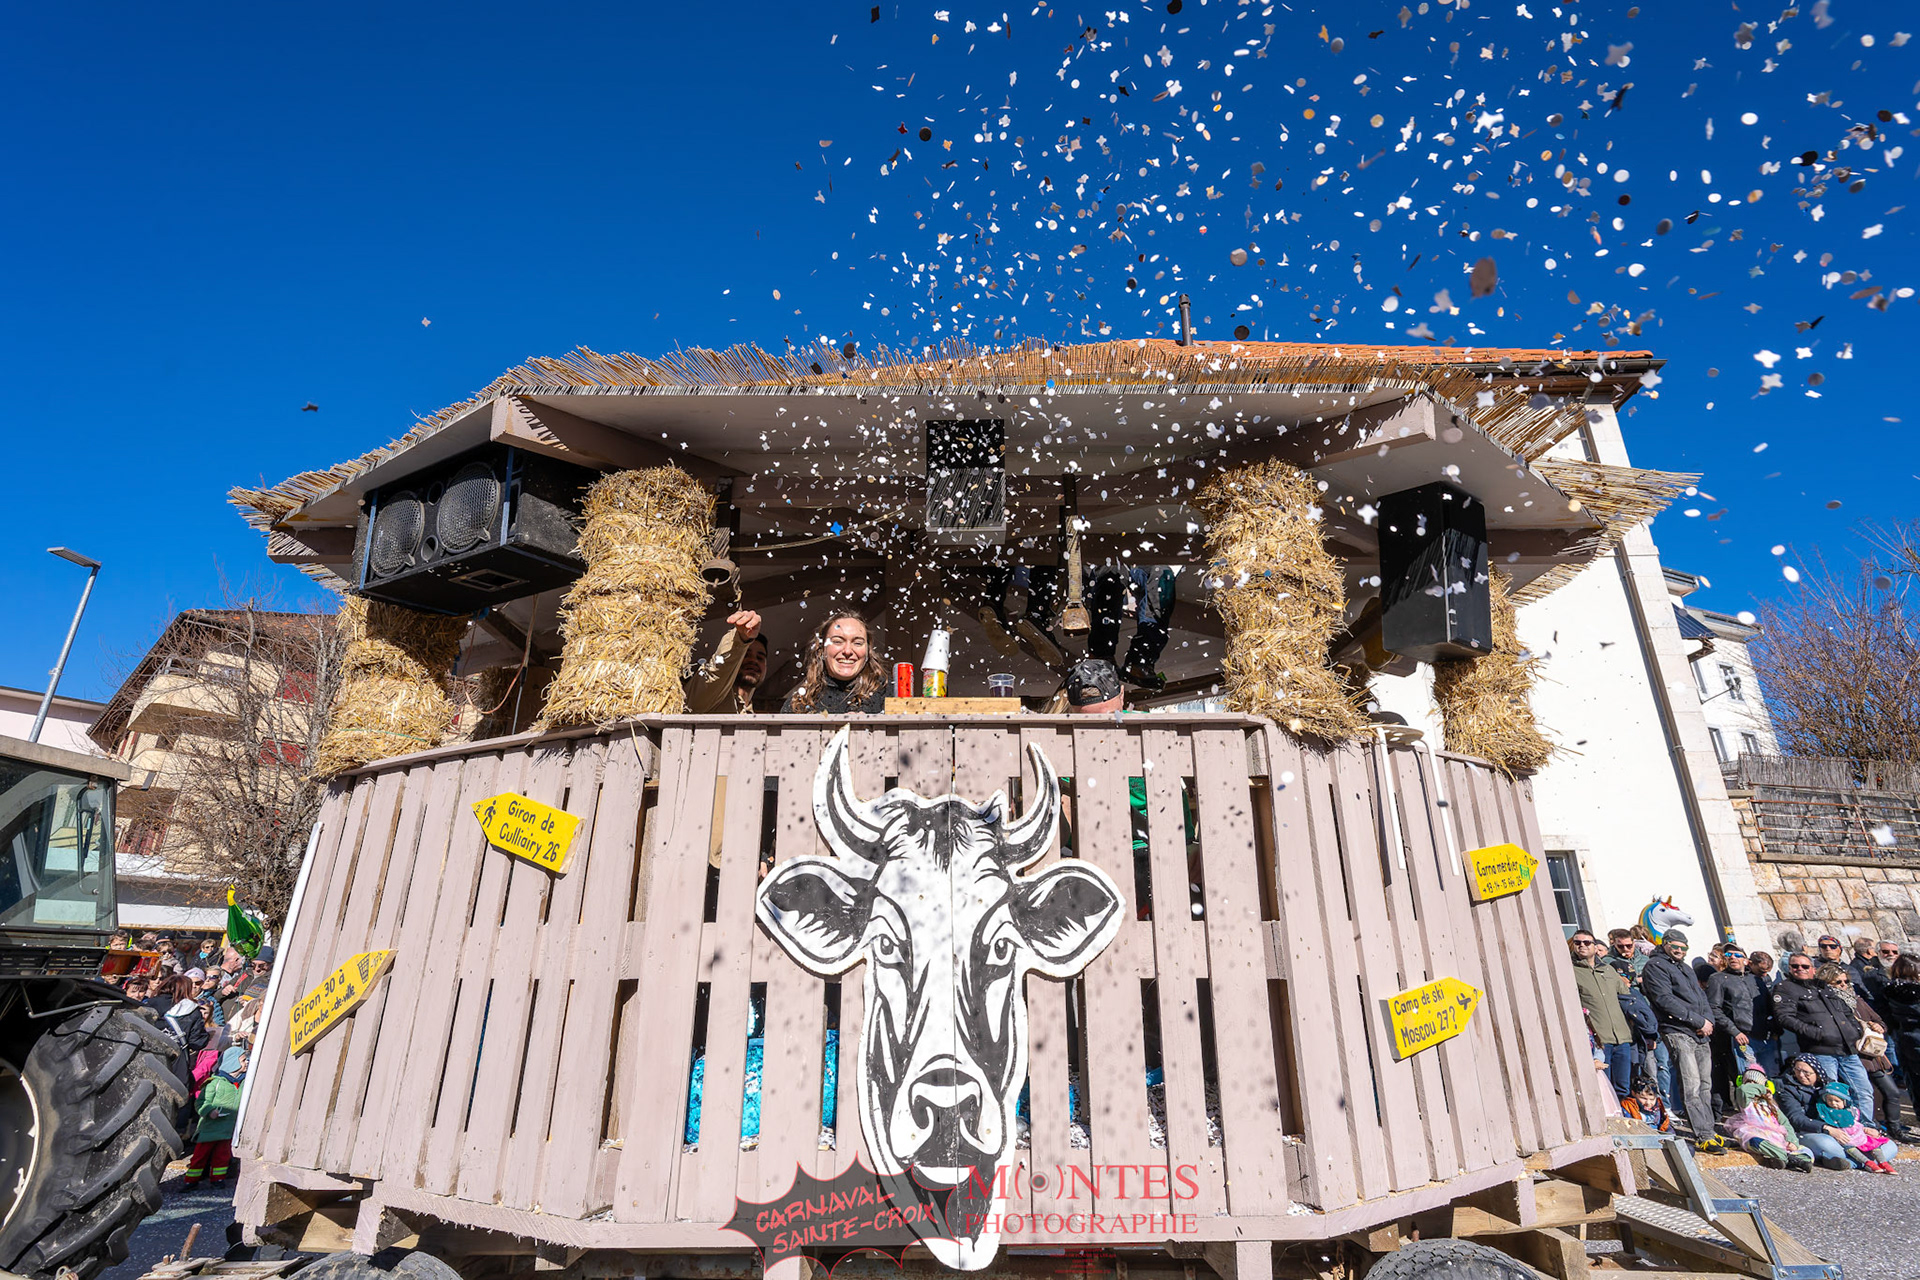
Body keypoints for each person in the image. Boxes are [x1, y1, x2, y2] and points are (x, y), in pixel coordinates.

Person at [1640, 928, 1725, 1149]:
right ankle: (1703, 1135)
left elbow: (1702, 998)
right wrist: (1697, 1021)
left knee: (1705, 1085)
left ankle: (1709, 1129)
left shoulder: (1685, 968)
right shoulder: (1655, 966)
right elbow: (1664, 999)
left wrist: (1708, 1022)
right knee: (1691, 1085)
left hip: (1700, 1032)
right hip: (1677, 1030)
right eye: (1675, 946)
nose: (1679, 950)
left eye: (1683, 947)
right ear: (1665, 944)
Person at [1774, 954, 1875, 1123]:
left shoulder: (1823, 987)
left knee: (1863, 1091)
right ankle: (1835, 1128)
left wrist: (1855, 1031)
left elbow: (1846, 1011)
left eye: (1805, 966)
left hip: (1847, 1049)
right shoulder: (1786, 988)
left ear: (1813, 969)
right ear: (1789, 969)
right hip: (1820, 1051)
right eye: (1795, 966)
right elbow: (1784, 1017)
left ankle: (1865, 1127)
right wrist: (1816, 1033)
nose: (1800, 969)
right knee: (1830, 1094)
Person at [1826, 964, 1910, 1141]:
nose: (1843, 985)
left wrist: (1879, 1026)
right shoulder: (1829, 1003)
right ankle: (1870, 1128)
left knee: (1892, 1092)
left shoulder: (1858, 1000)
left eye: (1846, 981)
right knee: (1865, 1094)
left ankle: (1895, 1129)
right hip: (1853, 1054)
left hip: (1873, 1055)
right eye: (1838, 982)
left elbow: (1879, 1020)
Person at [780, 610, 889, 714]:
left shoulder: (887, 694)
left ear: (868, 651)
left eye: (857, 643)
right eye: (837, 641)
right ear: (822, 649)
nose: (847, 651)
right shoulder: (799, 703)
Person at [1570, 931, 1636, 1100]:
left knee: (1623, 1089)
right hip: (1598, 1040)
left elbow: (1626, 997)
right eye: (1578, 943)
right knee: (1603, 1088)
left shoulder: (1608, 969)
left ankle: (1624, 1116)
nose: (1582, 945)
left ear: (1595, 946)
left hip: (1621, 1037)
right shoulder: (1570, 971)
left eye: (1587, 942)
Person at [1724, 1065, 1816, 1171]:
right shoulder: (1746, 1102)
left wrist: (1792, 1141)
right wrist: (1763, 1089)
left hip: (1775, 1137)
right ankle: (1791, 1159)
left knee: (1808, 1152)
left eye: (1755, 1083)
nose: (1752, 1085)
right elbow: (1744, 1090)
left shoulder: (1771, 1106)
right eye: (1749, 1082)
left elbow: (1785, 1123)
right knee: (1753, 1142)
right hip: (1754, 1133)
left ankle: (1782, 1158)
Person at [1705, 946, 1759, 1116]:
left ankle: (1768, 1115)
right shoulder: (1718, 979)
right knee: (1747, 1080)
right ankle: (1750, 1116)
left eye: (1737, 955)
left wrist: (1774, 1030)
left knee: (1766, 1080)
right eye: (1729, 955)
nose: (1733, 957)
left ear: (1746, 960)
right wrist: (1734, 1031)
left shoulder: (1755, 979)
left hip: (1762, 1036)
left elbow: (1765, 1005)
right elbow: (1714, 1008)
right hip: (1740, 1036)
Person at [688, 611, 768, 714]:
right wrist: (740, 640)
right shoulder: (711, 698)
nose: (753, 660)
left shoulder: (754, 717)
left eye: (760, 658)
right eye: (745, 655)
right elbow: (716, 672)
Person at [183, 1059, 244, 1190]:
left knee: (222, 1156)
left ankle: (218, 1179)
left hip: (228, 1129)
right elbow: (201, 1102)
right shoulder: (214, 1083)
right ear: (233, 1062)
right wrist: (209, 1111)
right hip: (209, 1128)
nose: (247, 1062)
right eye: (243, 1060)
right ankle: (191, 1180)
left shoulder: (244, 1083)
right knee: (200, 1156)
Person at [1744, 950, 1781, 1077]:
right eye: (1761, 971)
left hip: (1768, 1031)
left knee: (1772, 1072)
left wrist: (1776, 1030)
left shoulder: (1764, 979)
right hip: (1751, 1032)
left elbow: (1770, 1006)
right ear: (1750, 964)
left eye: (1767, 972)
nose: (1764, 975)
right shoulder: (1744, 980)